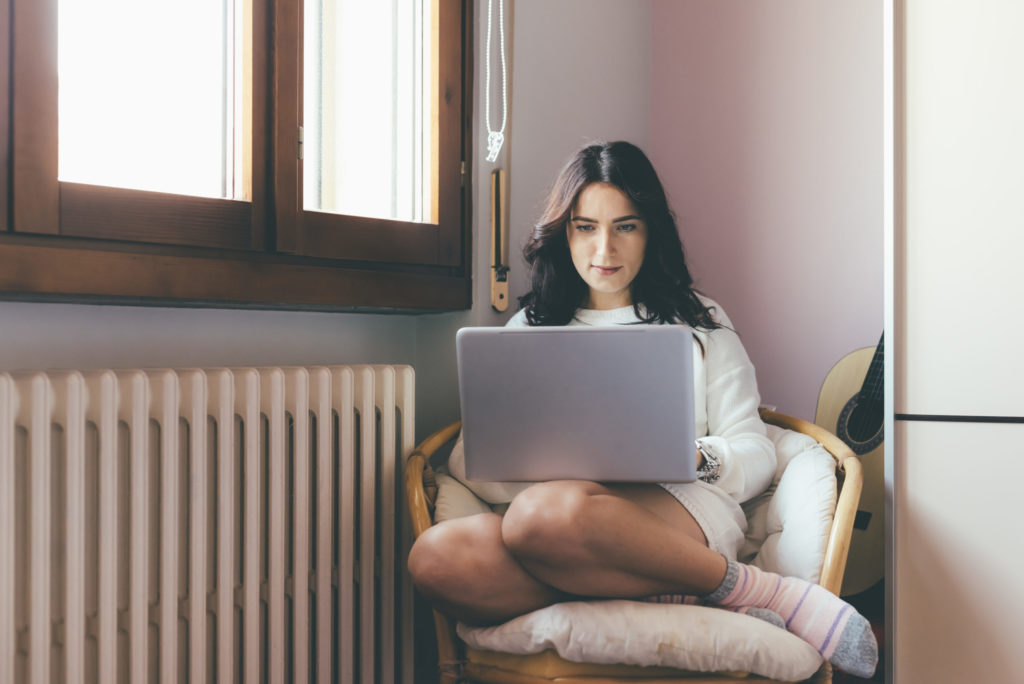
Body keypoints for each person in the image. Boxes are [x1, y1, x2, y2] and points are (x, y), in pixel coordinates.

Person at [407, 141, 877, 678]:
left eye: (624, 226)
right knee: (436, 558)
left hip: (677, 512)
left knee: (542, 514)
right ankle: (673, 590)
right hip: (552, 533)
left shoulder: (699, 322)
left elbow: (757, 451)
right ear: (565, 233)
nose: (603, 248)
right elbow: (475, 463)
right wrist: (566, 470)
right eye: (585, 227)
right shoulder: (531, 329)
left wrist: (691, 456)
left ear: (651, 231)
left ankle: (758, 589)